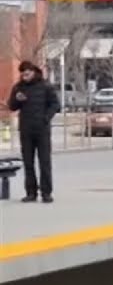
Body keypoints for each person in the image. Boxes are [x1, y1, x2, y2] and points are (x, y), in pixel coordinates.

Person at [7, 60, 60, 203]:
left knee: (44, 162)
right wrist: (17, 100)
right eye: (23, 72)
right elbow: (12, 106)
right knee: (28, 163)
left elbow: (55, 104)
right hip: (26, 130)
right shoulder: (18, 88)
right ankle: (31, 192)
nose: (25, 74)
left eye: (27, 72)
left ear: (33, 72)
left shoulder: (45, 86)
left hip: (42, 130)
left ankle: (46, 193)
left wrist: (46, 118)